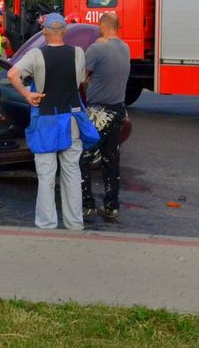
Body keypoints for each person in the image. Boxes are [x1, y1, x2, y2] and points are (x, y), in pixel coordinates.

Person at [7, 12, 87, 230]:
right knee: (72, 174)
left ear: (44, 32)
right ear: (64, 32)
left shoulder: (35, 55)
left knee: (46, 176)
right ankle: (75, 223)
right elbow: (80, 80)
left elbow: (12, 74)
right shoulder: (78, 53)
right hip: (71, 120)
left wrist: (27, 94)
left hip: (46, 120)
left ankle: (47, 223)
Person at [80, 12, 131, 222]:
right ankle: (111, 205)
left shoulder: (97, 48)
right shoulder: (125, 48)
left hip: (98, 112)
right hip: (118, 109)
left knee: (83, 157)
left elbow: (81, 77)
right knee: (111, 159)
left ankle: (87, 205)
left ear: (102, 26)